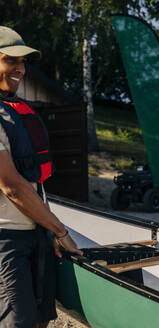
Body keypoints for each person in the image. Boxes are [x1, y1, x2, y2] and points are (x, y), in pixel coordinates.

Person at [0, 26, 83, 328]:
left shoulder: (12, 112)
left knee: (40, 322)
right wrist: (61, 231)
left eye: (23, 62)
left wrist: (48, 231)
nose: (21, 69)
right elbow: (12, 187)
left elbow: (35, 186)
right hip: (6, 241)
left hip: (36, 235)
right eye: (12, 60)